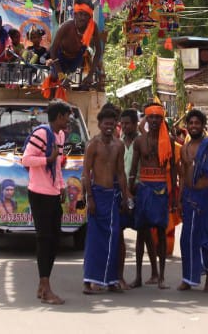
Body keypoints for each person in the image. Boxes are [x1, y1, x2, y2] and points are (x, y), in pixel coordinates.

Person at [21, 100, 71, 305]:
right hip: (39, 193)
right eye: (67, 116)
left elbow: (58, 166)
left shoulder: (60, 136)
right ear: (59, 117)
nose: (68, 120)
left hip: (52, 193)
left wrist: (61, 186)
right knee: (45, 239)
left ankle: (43, 285)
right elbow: (25, 159)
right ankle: (45, 285)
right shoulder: (41, 134)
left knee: (54, 239)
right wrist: (46, 160)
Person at [129, 103, 177, 289]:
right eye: (151, 117)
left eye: (158, 117)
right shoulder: (140, 141)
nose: (155, 120)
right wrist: (131, 187)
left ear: (162, 119)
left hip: (161, 189)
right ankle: (139, 276)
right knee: (142, 232)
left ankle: (161, 278)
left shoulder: (169, 141)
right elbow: (134, 167)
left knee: (161, 232)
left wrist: (173, 194)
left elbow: (172, 168)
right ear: (146, 119)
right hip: (143, 188)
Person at [82, 106, 128, 294]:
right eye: (106, 123)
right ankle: (90, 280)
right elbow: (86, 172)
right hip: (97, 194)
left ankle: (111, 280)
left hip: (113, 196)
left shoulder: (119, 145)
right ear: (100, 124)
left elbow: (120, 172)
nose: (109, 126)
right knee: (95, 240)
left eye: (112, 123)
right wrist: (90, 198)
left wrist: (125, 196)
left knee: (113, 237)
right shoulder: (93, 145)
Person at [177, 110, 208, 291]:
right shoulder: (183, 148)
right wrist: (180, 199)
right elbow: (182, 176)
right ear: (187, 126)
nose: (194, 126)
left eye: (197, 123)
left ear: (203, 125)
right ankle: (188, 278)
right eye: (191, 123)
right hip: (189, 196)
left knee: (207, 237)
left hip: (207, 195)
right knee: (187, 239)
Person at [117, 108, 158, 289]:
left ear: (135, 124)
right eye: (123, 123)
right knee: (119, 232)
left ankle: (152, 273)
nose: (125, 126)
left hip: (140, 190)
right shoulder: (118, 142)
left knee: (145, 233)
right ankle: (120, 275)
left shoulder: (142, 141)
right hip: (122, 191)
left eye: (128, 123)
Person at [49, 0, 102, 88]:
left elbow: (98, 51)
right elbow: (53, 50)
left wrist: (90, 75)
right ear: (75, 14)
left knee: (75, 81)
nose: (83, 18)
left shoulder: (93, 27)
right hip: (61, 56)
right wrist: (60, 75)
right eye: (80, 14)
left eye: (86, 15)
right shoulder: (66, 27)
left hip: (77, 58)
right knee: (54, 78)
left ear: (90, 17)